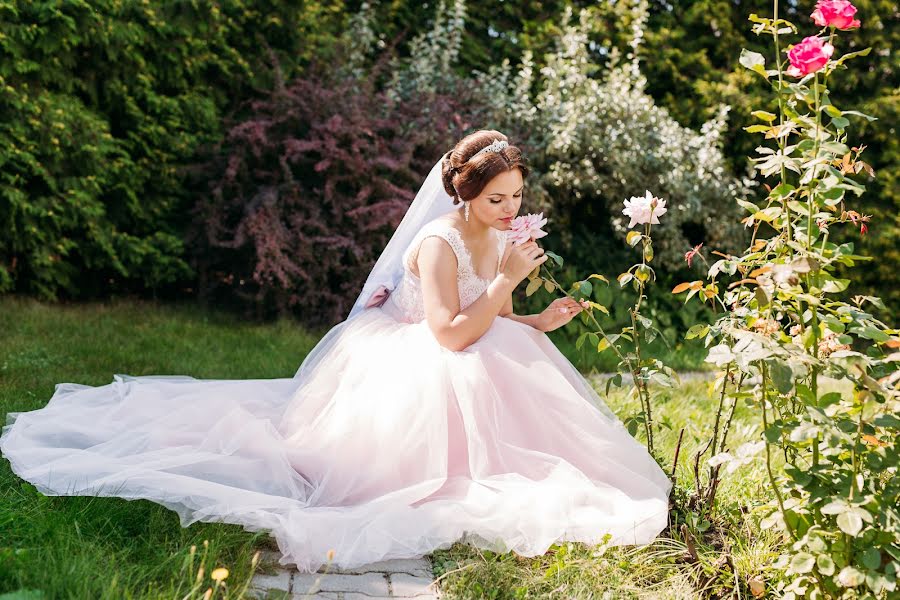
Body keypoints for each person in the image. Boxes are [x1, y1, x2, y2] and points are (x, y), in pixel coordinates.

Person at [0, 129, 672, 575]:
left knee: (510, 393)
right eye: (497, 198)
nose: (511, 209)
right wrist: (504, 284)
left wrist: (535, 319)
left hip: (467, 343)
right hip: (415, 358)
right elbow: (448, 335)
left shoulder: (496, 235)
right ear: (464, 192)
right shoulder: (437, 242)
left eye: (518, 196)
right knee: (441, 415)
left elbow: (485, 318)